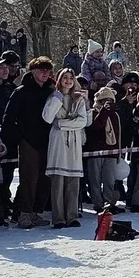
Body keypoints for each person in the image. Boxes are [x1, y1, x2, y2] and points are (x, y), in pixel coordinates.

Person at [1, 57, 56, 228]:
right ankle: (23, 213)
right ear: (33, 71)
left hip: (47, 140)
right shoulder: (21, 91)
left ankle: (35, 212)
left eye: (47, 70)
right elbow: (8, 118)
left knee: (45, 178)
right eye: (41, 70)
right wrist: (19, 138)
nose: (45, 73)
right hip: (28, 141)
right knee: (28, 178)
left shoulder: (51, 92)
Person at [42, 68, 88, 229]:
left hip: (73, 142)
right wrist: (58, 98)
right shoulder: (54, 97)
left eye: (71, 78)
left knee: (73, 181)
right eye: (65, 77)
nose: (68, 81)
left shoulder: (78, 99)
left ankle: (72, 216)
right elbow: (48, 118)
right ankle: (58, 218)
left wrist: (62, 123)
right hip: (58, 143)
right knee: (58, 181)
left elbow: (82, 121)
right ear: (59, 80)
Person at [84, 87, 122, 214]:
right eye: (105, 100)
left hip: (111, 152)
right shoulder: (92, 113)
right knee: (95, 180)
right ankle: (98, 204)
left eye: (110, 100)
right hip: (95, 151)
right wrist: (104, 111)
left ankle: (108, 203)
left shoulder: (115, 115)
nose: (108, 103)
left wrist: (118, 152)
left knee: (109, 180)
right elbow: (96, 126)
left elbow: (118, 133)